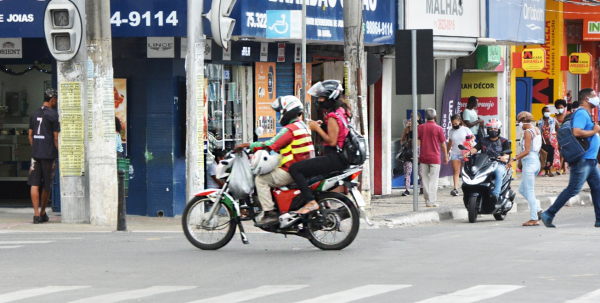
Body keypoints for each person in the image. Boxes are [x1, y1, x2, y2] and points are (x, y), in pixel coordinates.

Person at [236, 95, 314, 225]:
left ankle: (269, 212)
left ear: (287, 111)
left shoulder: (289, 129)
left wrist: (247, 145)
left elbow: (271, 144)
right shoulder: (302, 126)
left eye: (281, 112)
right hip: (303, 168)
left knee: (261, 180)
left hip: (292, 170)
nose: (280, 115)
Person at [541, 88, 600, 228]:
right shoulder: (581, 113)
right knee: (573, 189)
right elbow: (577, 132)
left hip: (590, 160)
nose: (596, 98)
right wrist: (595, 131)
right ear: (587, 99)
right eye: (594, 96)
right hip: (583, 160)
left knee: (597, 188)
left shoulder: (585, 113)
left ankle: (599, 219)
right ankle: (548, 213)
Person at [288, 80, 349, 214]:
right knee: (312, 178)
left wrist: (316, 128)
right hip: (339, 158)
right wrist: (322, 126)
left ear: (330, 97)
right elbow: (338, 133)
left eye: (322, 97)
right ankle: (323, 202)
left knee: (295, 169)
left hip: (334, 158)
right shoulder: (341, 111)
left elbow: (332, 141)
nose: (320, 100)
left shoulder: (333, 116)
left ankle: (311, 202)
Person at [28, 88, 60, 224]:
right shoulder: (53, 115)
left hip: (36, 154)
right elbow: (56, 138)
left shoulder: (34, 114)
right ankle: (42, 213)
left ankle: (36, 215)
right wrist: (58, 153)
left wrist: (36, 147)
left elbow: (30, 135)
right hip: (48, 155)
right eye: (56, 99)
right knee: (47, 185)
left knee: (34, 184)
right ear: (53, 99)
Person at [470, 119, 512, 206]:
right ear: (487, 130)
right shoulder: (482, 140)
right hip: (484, 164)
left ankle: (495, 195)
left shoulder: (504, 141)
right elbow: (475, 149)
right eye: (491, 129)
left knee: (499, 173)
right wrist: (468, 153)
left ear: (499, 129)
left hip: (498, 164)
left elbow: (507, 155)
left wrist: (504, 158)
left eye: (495, 129)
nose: (493, 131)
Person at [514, 111, 543, 226]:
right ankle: (538, 210)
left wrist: (514, 159)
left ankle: (534, 218)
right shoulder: (536, 130)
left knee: (529, 191)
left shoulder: (527, 132)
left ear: (524, 121)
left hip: (530, 162)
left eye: (519, 122)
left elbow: (526, 151)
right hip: (535, 161)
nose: (519, 125)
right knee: (522, 189)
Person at [417, 108, 449, 207]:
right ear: (435, 117)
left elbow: (417, 142)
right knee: (433, 180)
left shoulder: (420, 128)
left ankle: (427, 201)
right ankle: (432, 201)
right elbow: (443, 144)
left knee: (425, 179)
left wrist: (418, 154)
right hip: (435, 157)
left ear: (425, 117)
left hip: (423, 156)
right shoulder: (439, 128)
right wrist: (446, 156)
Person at [447, 114, 473, 196]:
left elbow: (472, 137)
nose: (455, 125)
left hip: (465, 152)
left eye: (456, 123)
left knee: (466, 171)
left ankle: (468, 187)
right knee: (456, 170)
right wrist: (447, 152)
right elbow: (450, 142)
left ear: (459, 121)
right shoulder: (451, 131)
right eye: (453, 124)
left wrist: (471, 141)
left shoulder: (465, 129)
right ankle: (455, 188)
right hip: (455, 152)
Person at [400, 114, 423, 196]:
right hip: (409, 151)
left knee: (420, 171)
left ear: (418, 118)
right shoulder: (407, 128)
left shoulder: (421, 127)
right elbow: (402, 140)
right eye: (411, 117)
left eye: (415, 117)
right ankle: (407, 189)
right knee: (408, 170)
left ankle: (422, 187)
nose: (413, 118)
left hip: (419, 150)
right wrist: (405, 143)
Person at [537, 107, 558, 177]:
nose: (547, 113)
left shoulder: (553, 120)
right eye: (546, 111)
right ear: (542, 112)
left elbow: (558, 129)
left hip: (551, 141)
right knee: (544, 155)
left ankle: (550, 171)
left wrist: (555, 138)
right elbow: (538, 132)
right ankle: (545, 171)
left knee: (551, 155)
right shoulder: (539, 122)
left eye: (548, 111)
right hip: (543, 141)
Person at [554, 99, 568, 174]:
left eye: (562, 107)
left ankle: (561, 168)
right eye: (559, 107)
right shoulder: (555, 117)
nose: (560, 109)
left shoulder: (566, 116)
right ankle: (561, 168)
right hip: (557, 136)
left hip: (565, 136)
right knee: (557, 151)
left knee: (563, 151)